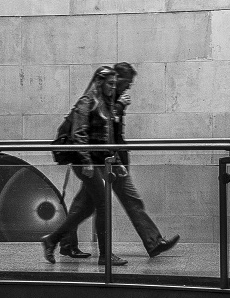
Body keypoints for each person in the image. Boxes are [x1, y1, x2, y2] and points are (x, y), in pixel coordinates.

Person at [41, 63, 179, 266]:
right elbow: (79, 134)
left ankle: (55, 240)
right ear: (100, 82)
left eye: (116, 84)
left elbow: (108, 139)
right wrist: (87, 162)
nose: (115, 88)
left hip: (103, 162)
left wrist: (116, 161)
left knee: (85, 208)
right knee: (103, 204)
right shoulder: (87, 102)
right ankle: (104, 255)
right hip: (87, 163)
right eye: (111, 84)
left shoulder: (105, 103)